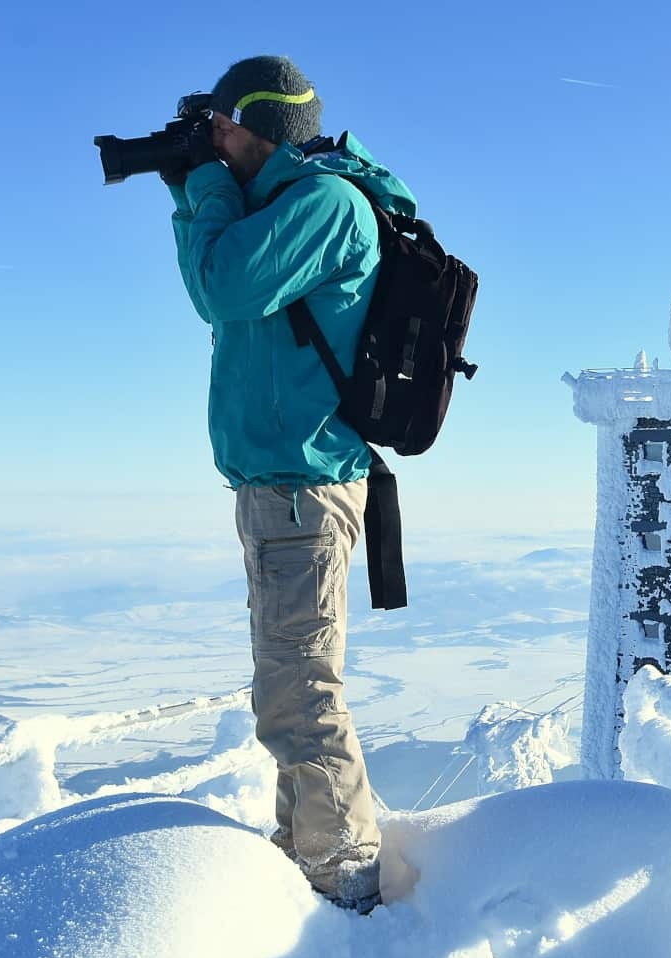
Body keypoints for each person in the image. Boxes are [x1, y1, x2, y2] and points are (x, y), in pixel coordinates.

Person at [166, 56, 415, 913]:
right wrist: (196, 183)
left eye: (224, 127)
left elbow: (222, 287)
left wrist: (202, 183)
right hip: (283, 490)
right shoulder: (283, 204)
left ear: (258, 124)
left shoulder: (322, 203)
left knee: (301, 699)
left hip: (302, 490)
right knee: (289, 688)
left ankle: (344, 885)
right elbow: (225, 276)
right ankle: (302, 860)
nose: (215, 140)